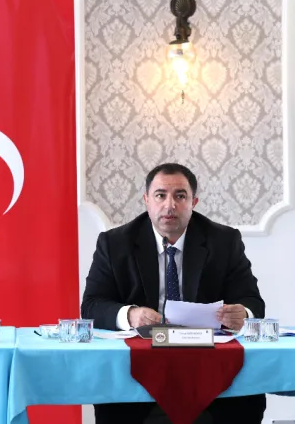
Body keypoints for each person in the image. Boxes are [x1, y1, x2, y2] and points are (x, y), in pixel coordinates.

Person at [81, 163, 266, 424]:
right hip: (138, 370)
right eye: (160, 195)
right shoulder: (115, 243)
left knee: (244, 402)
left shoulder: (224, 241)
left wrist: (242, 313)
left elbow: (253, 303)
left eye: (180, 196)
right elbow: (91, 305)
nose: (170, 205)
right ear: (146, 200)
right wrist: (130, 315)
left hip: (208, 367)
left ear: (194, 202)